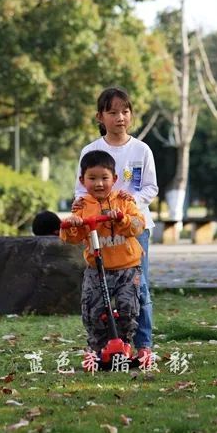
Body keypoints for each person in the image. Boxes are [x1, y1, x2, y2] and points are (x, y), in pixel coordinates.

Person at [73, 86, 158, 364]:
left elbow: (150, 187)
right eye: (112, 112)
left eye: (125, 111)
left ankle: (143, 344)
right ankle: (106, 343)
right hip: (100, 232)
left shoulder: (141, 150)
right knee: (101, 289)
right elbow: (80, 189)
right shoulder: (91, 150)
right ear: (100, 117)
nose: (119, 117)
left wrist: (127, 202)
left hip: (134, 227)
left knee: (138, 287)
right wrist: (81, 211)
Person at [61, 149, 144, 365]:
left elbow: (138, 226)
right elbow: (71, 238)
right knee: (93, 311)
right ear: (82, 180)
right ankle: (98, 350)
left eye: (104, 178)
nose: (99, 184)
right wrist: (73, 224)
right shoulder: (82, 206)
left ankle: (124, 346)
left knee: (128, 308)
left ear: (114, 179)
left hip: (127, 267)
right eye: (92, 178)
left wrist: (122, 219)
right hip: (97, 270)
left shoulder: (124, 201)